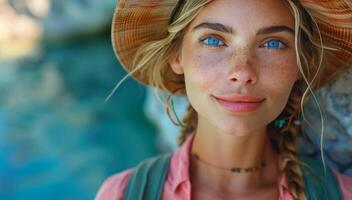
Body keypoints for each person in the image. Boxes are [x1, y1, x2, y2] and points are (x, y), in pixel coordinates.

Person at [97, 0, 352, 199]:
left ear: (300, 64)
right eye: (213, 40)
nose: (242, 73)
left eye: (273, 44)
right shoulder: (122, 194)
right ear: (177, 56)